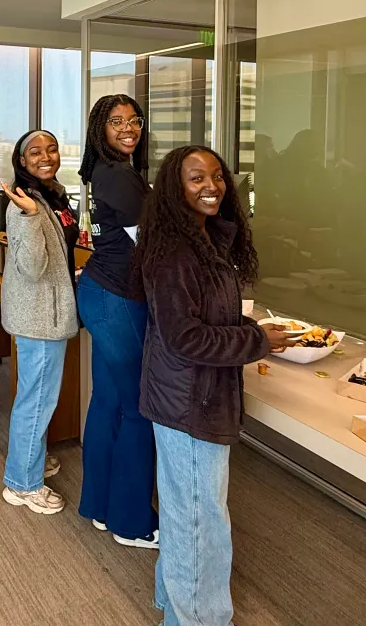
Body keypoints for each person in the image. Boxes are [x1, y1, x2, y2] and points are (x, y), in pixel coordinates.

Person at [133, 145, 290, 626]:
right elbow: (186, 338)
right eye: (196, 178)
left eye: (217, 176)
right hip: (189, 404)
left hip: (187, 397)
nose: (211, 186)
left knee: (187, 516)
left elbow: (198, 319)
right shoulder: (177, 253)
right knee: (201, 524)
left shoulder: (203, 240)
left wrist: (248, 329)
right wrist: (256, 339)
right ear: (174, 190)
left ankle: (174, 608)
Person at [75, 95, 159, 548]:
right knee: (139, 409)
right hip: (118, 300)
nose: (128, 128)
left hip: (102, 293)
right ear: (100, 130)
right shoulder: (118, 177)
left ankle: (101, 507)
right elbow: (153, 242)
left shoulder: (112, 173)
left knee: (108, 402)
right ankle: (131, 522)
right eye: (116, 122)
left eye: (134, 120)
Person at [0, 130, 79, 515]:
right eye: (35, 152)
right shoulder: (24, 204)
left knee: (38, 395)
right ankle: (22, 483)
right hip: (39, 315)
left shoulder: (52, 193)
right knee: (36, 399)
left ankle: (31, 456)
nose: (46, 156)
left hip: (47, 307)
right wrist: (30, 217)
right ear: (21, 160)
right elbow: (32, 267)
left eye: (51, 149)